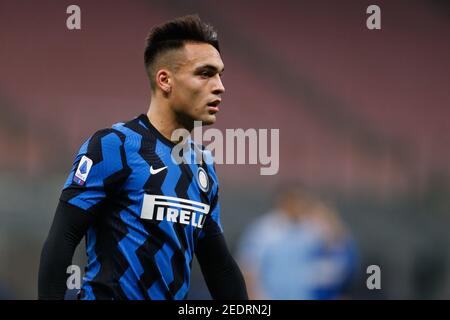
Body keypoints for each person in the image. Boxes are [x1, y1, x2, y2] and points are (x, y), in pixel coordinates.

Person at [38, 15, 248, 300]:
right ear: (165, 80)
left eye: (221, 74)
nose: (220, 86)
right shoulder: (114, 146)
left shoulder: (202, 166)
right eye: (206, 73)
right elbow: (63, 240)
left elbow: (219, 267)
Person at [237, 184, 357, 300]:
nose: (298, 204)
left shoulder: (312, 227)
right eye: (293, 199)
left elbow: (340, 250)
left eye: (301, 200)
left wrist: (327, 215)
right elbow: (248, 270)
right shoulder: (264, 229)